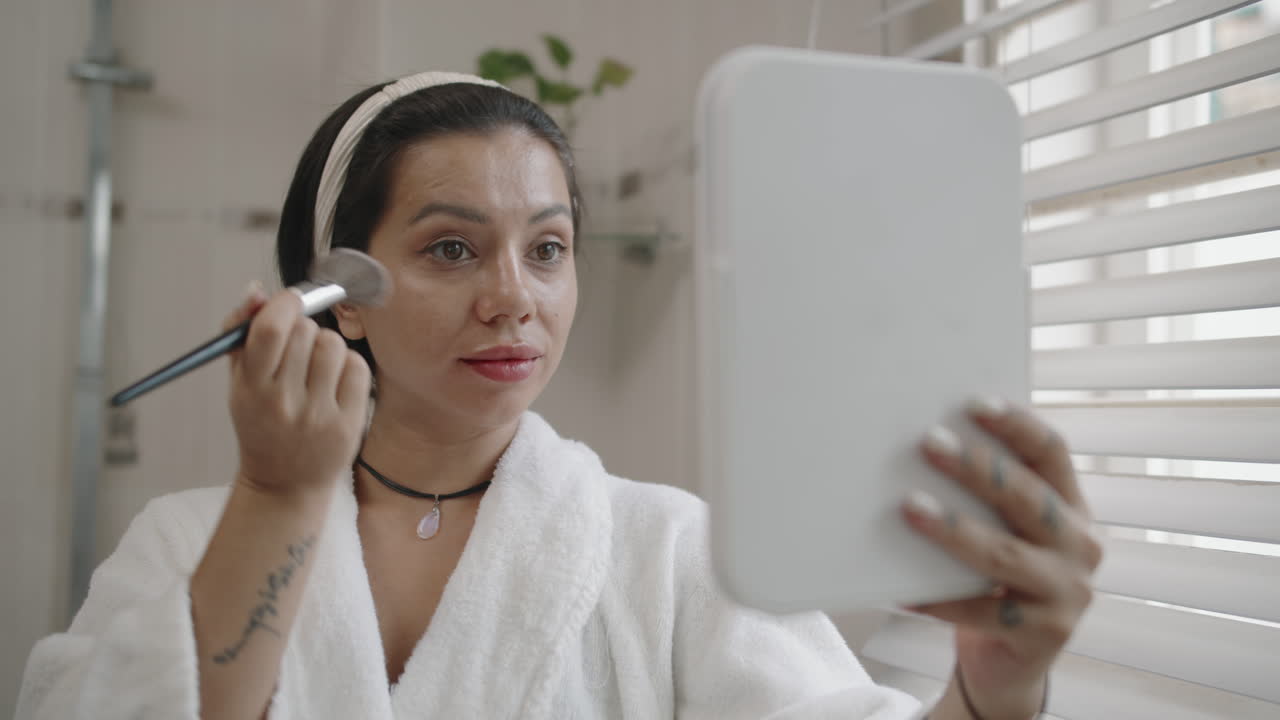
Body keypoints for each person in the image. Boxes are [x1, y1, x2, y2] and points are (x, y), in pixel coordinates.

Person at [16, 71, 1100, 720]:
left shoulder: (672, 553)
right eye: (450, 249)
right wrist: (276, 495)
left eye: (546, 249)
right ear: (338, 293)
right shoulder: (183, 545)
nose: (511, 301)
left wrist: (995, 691)